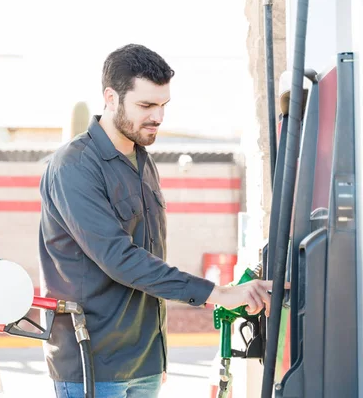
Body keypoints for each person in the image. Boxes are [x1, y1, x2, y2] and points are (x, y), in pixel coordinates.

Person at [38, 44, 279, 398]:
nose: (158, 117)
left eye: (163, 105)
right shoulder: (73, 167)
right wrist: (219, 294)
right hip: (93, 365)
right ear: (111, 98)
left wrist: (159, 355)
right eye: (146, 105)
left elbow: (152, 256)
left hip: (145, 362)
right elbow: (121, 259)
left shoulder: (142, 161)